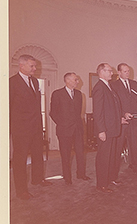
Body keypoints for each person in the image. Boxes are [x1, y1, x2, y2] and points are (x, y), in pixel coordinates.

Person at [9, 54, 52, 200]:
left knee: (37, 153)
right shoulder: (12, 82)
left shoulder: (34, 82)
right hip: (20, 128)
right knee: (20, 159)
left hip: (36, 127)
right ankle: (21, 190)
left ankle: (37, 179)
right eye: (32, 66)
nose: (35, 68)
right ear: (22, 66)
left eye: (35, 66)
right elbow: (7, 107)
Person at [50, 72, 90, 185]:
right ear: (67, 80)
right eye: (75, 79)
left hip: (77, 128)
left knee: (80, 152)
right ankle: (67, 177)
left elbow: (78, 113)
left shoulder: (79, 94)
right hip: (64, 130)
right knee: (65, 154)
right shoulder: (57, 94)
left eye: (77, 79)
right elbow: (53, 113)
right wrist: (62, 124)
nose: (78, 81)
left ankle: (81, 174)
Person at [92, 63, 122, 193]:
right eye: (109, 71)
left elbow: (111, 108)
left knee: (111, 156)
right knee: (104, 157)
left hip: (113, 128)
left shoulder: (108, 86)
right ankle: (101, 184)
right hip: (106, 130)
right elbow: (97, 111)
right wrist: (101, 130)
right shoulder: (99, 87)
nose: (112, 73)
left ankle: (109, 179)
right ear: (102, 72)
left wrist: (119, 119)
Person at [111, 63, 137, 176]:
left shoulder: (134, 83)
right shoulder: (114, 85)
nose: (127, 73)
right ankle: (114, 171)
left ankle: (135, 166)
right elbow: (114, 104)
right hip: (122, 121)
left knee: (134, 144)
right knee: (118, 146)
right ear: (119, 73)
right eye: (125, 71)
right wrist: (123, 115)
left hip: (134, 120)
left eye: (128, 71)